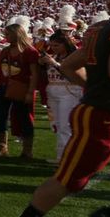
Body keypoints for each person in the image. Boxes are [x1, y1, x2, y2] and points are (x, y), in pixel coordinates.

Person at [22, 0, 110, 216]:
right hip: (107, 114)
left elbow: (69, 65)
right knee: (68, 180)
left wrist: (93, 87)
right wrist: (98, 90)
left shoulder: (101, 29)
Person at [0, 23, 41, 158]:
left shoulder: (30, 52)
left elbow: (34, 74)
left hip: (22, 88)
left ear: (16, 34)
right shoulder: (5, 50)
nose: (5, 36)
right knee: (2, 118)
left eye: (8, 34)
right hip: (4, 87)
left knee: (25, 118)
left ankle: (27, 150)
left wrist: (30, 92)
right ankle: (2, 147)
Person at [42, 31, 80, 164]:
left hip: (69, 93)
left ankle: (67, 158)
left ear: (65, 44)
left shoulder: (75, 57)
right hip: (53, 92)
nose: (53, 48)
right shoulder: (54, 56)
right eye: (52, 45)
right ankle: (61, 156)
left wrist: (54, 63)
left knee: (66, 126)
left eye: (57, 45)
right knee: (57, 125)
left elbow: (73, 75)